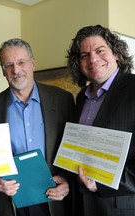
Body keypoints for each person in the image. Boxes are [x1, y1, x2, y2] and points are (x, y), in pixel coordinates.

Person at [0, 38, 75, 216]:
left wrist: (68, 180)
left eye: (21, 62)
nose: (16, 70)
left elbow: (75, 148)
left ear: (33, 63)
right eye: (8, 65)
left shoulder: (63, 100)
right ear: (2, 70)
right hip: (13, 201)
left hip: (56, 198)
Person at [66, 24, 135, 216]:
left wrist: (102, 184)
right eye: (84, 55)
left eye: (99, 51)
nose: (93, 59)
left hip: (120, 207)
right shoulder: (80, 98)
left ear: (116, 54)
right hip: (81, 204)